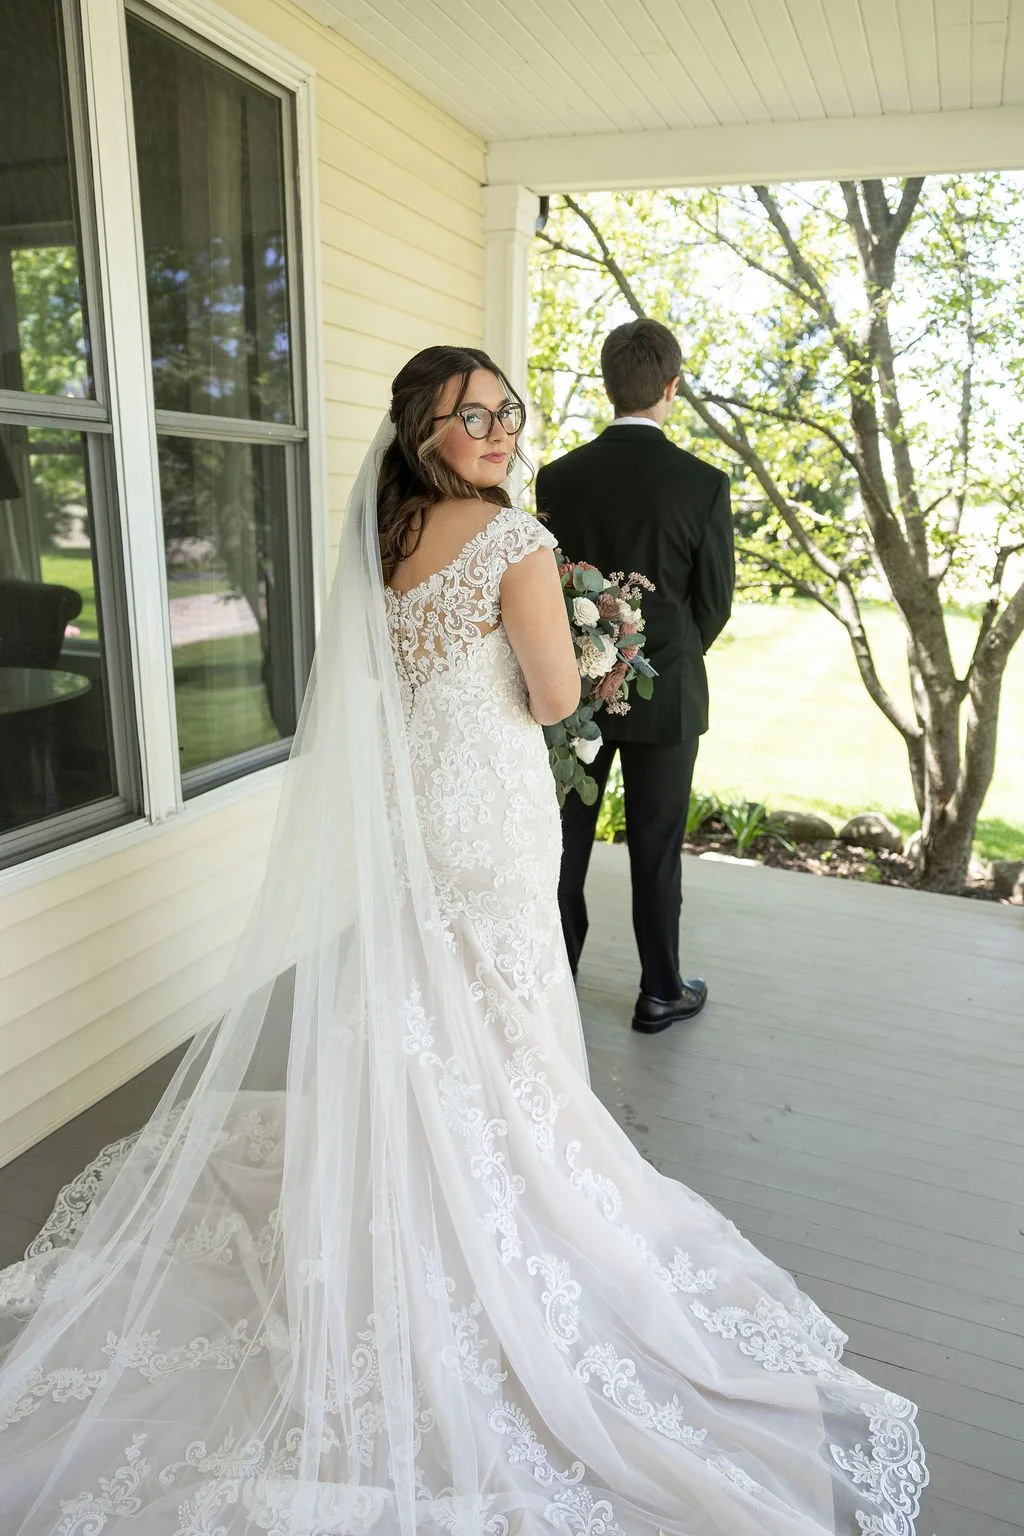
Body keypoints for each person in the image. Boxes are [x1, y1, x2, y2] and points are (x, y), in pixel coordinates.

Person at [0, 346, 925, 1534]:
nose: (496, 429)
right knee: (505, 1025)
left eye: (505, 411)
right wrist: (590, 653)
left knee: (428, 1009)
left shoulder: (380, 540)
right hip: (486, 822)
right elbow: (546, 699)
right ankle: (494, 1210)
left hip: (415, 822)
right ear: (426, 429)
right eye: (470, 415)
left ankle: (414, 1180)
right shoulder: (514, 542)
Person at [536, 319, 735, 1034]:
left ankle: (555, 981)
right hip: (668, 697)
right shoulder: (705, 484)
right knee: (656, 846)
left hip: (572, 696)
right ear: (671, 388)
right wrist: (663, 658)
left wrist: (596, 660)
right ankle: (660, 990)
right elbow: (714, 603)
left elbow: (544, 593)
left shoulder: (557, 479)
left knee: (564, 843)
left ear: (607, 383)